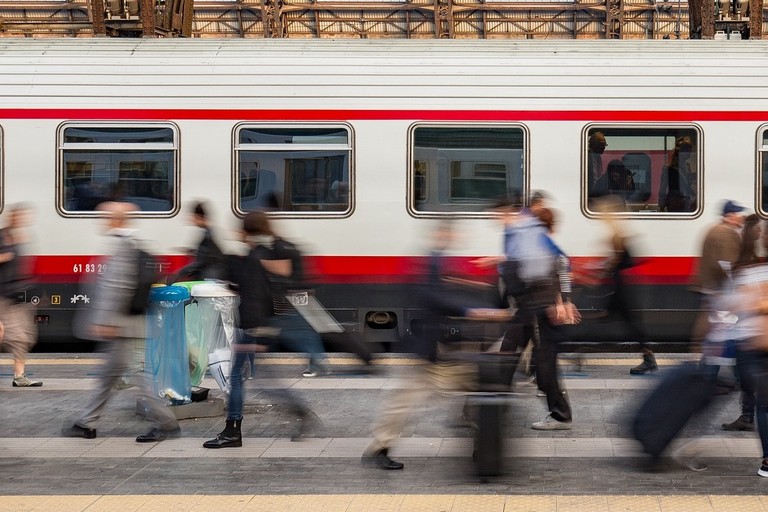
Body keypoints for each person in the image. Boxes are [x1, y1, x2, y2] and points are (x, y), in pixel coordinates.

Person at [362, 220, 511, 470]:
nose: (455, 237)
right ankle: (380, 447)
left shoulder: (438, 260)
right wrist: (473, 311)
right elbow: (432, 296)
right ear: (441, 233)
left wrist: (468, 290)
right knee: (407, 398)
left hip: (443, 348)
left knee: (477, 389)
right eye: (451, 232)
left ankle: (484, 446)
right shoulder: (429, 261)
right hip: (429, 348)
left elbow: (443, 290)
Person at [62, 201, 181, 442]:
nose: (103, 220)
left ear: (118, 219)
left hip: (120, 324)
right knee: (109, 376)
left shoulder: (122, 246)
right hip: (126, 322)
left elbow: (117, 287)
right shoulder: (131, 244)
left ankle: (167, 423)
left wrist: (106, 320)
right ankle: (86, 422)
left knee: (140, 376)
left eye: (106, 216)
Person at [203, 212, 317, 449]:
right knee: (258, 380)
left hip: (250, 327)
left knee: (242, 379)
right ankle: (296, 412)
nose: (236, 232)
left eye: (239, 229)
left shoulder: (254, 259)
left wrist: (252, 330)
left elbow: (255, 295)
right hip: (258, 325)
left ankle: (233, 430)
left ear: (246, 232)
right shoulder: (261, 256)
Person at [593, 196, 656, 375]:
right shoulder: (618, 233)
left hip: (623, 287)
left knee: (631, 324)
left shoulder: (616, 234)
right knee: (630, 323)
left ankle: (649, 360)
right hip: (623, 285)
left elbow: (619, 260)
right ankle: (648, 359)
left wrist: (604, 269)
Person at [692, 200, 748, 347]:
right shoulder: (726, 233)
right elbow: (728, 264)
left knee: (710, 322)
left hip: (709, 286)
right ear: (729, 216)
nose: (741, 217)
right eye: (738, 214)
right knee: (716, 326)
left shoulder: (715, 229)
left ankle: (704, 353)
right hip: (717, 288)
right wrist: (735, 287)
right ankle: (707, 357)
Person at [0, 203, 41, 387]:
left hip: (19, 294)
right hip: (4, 295)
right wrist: (4, 257)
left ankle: (19, 376)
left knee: (24, 336)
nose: (23, 220)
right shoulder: (2, 235)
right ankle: (19, 376)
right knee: (7, 335)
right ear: (12, 218)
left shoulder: (20, 237)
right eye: (20, 216)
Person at [173, 201, 225, 282]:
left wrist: (180, 272)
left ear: (200, 217)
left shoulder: (207, 237)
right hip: (212, 275)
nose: (192, 220)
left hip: (210, 277)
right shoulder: (209, 232)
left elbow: (201, 262)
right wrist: (192, 251)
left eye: (193, 217)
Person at [659, 136, 696, 213]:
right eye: (688, 151)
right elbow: (663, 187)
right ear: (682, 151)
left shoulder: (687, 166)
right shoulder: (668, 167)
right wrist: (661, 205)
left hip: (686, 201)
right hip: (674, 202)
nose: (690, 153)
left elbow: (687, 184)